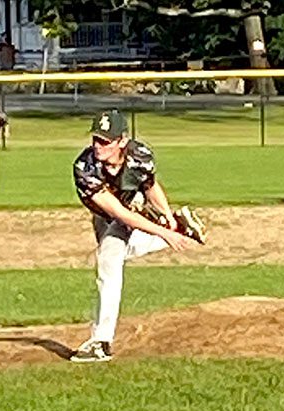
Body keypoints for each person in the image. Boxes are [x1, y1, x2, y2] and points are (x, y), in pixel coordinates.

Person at [70, 110, 208, 363]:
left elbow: (149, 186)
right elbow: (118, 213)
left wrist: (167, 215)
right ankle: (180, 228)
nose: (98, 145)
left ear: (122, 141)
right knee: (117, 253)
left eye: (105, 141)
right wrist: (166, 231)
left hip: (131, 205)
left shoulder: (139, 156)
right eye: (96, 139)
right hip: (110, 213)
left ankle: (101, 341)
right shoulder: (85, 168)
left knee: (109, 258)